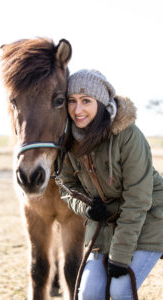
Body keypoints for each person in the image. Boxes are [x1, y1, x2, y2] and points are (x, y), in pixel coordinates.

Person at [57, 69, 163, 300]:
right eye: (72, 101)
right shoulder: (67, 140)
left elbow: (138, 200)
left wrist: (120, 256)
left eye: (86, 101)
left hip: (149, 217)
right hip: (104, 222)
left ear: (102, 103)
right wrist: (85, 208)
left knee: (121, 290)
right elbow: (65, 185)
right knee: (89, 293)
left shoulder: (128, 136)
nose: (77, 110)